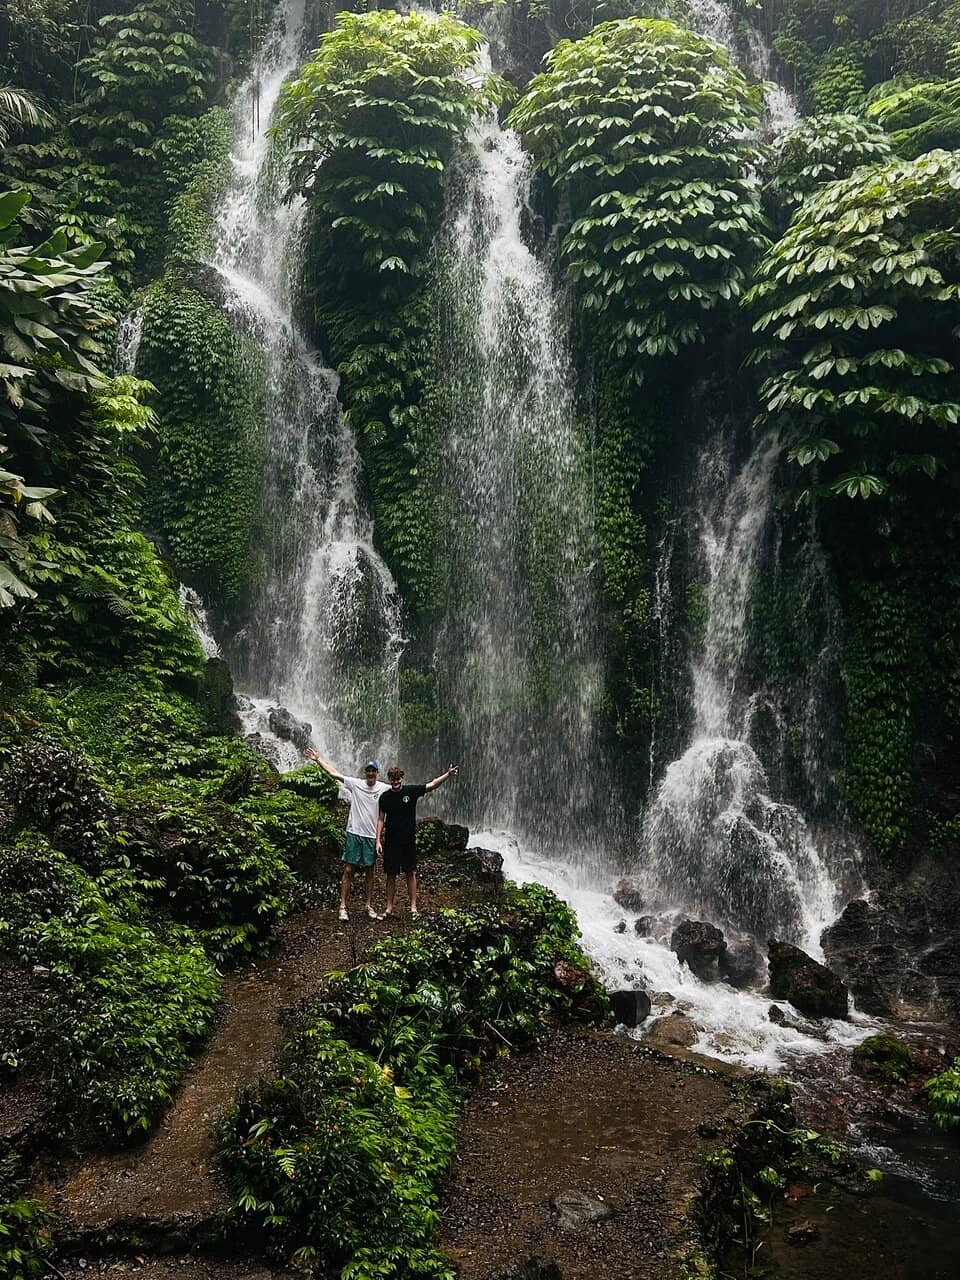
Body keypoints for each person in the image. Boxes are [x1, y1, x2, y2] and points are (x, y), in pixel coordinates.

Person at [305, 749, 389, 922]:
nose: (371, 774)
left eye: (373, 771)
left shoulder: (384, 788)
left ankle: (367, 905)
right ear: (365, 773)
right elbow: (333, 773)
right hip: (354, 833)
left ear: (377, 773)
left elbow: (401, 789)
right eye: (368, 771)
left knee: (370, 871)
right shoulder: (355, 783)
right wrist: (318, 759)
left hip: (371, 836)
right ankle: (343, 906)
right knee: (349, 869)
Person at [376, 763, 458, 918]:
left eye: (398, 779)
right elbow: (381, 819)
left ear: (402, 778)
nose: (396, 782)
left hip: (408, 840)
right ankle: (388, 908)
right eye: (393, 779)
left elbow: (432, 785)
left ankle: (413, 907)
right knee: (391, 875)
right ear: (389, 780)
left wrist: (447, 774)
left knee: (410, 872)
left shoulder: (411, 792)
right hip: (391, 841)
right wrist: (378, 840)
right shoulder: (385, 797)